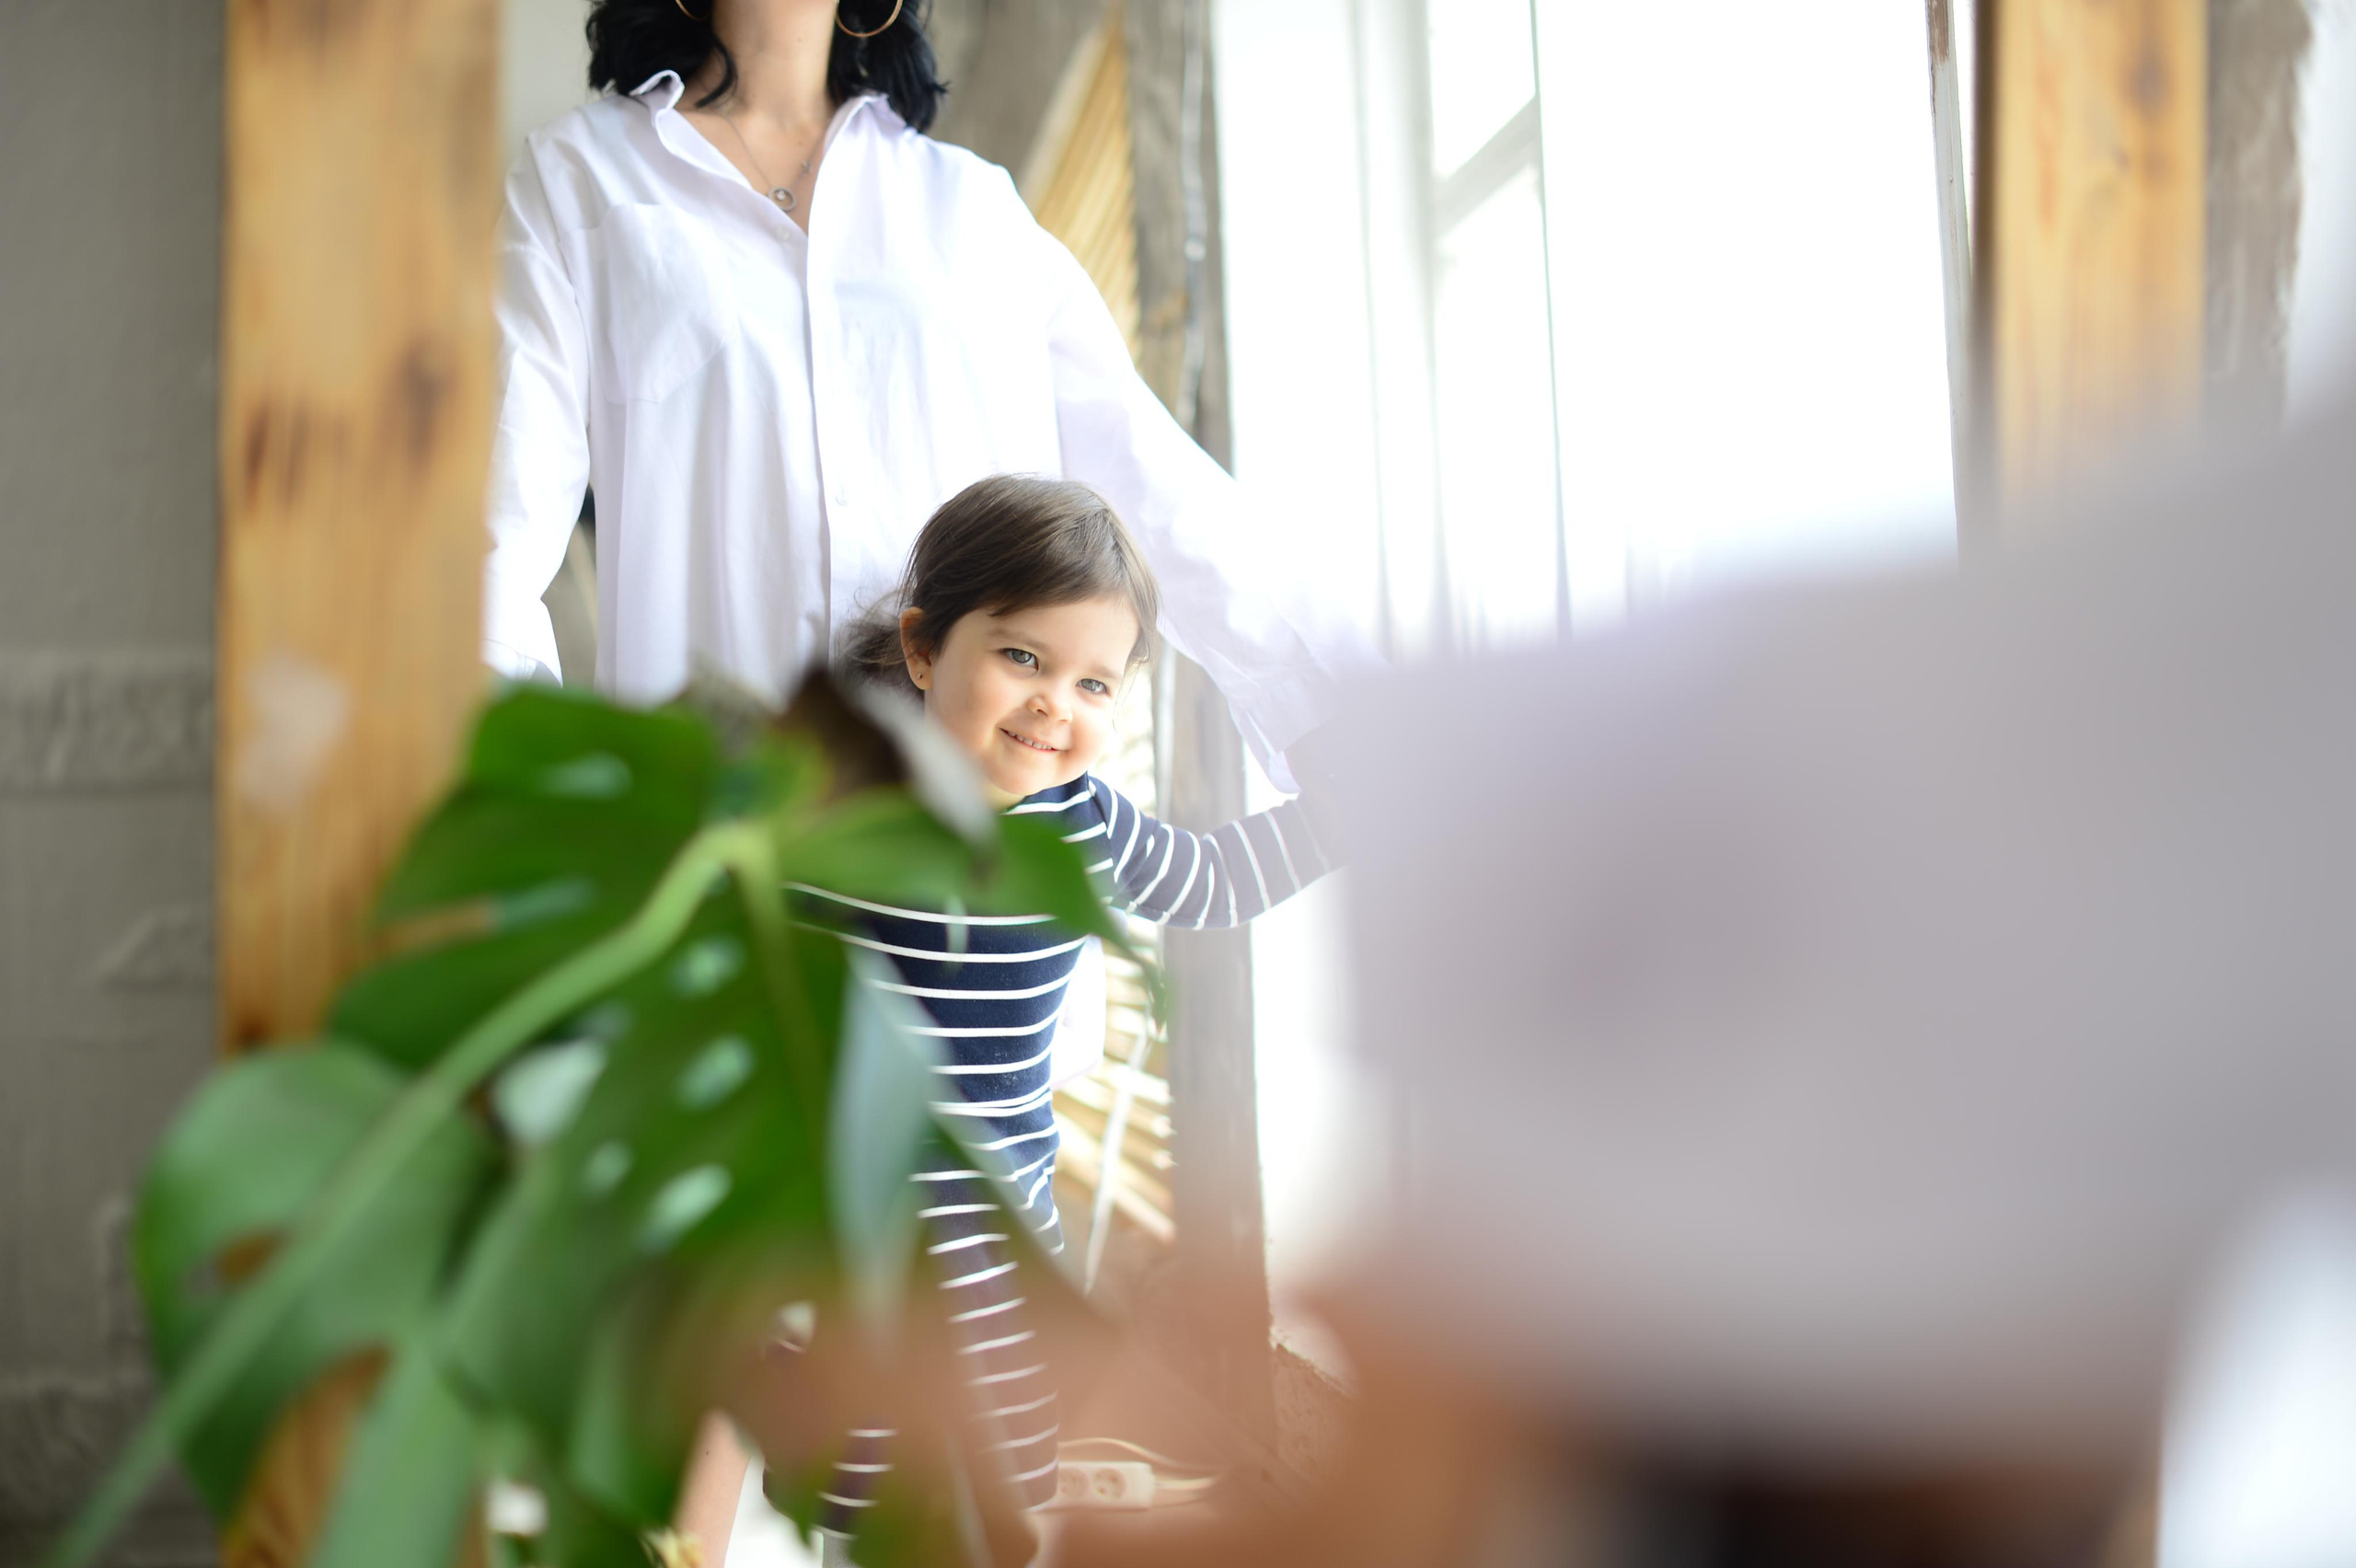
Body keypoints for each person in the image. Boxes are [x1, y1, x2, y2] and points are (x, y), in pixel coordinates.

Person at [483, 0, 1365, 783]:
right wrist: (542, 807)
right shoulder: (577, 183)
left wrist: (1352, 720)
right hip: (718, 861)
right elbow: (492, 534)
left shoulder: (971, 207)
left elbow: (1152, 480)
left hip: (979, 881)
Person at [730, 473, 1328, 1565]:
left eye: (1098, 684)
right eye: (1023, 660)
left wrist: (1348, 813)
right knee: (866, 1525)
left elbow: (1211, 883)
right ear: (922, 651)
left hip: (1009, 1274)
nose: (1058, 704)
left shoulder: (1080, 821)